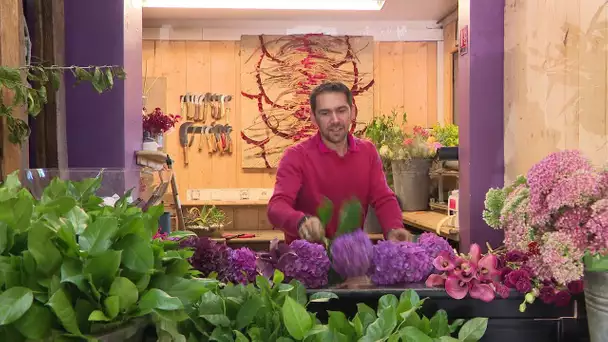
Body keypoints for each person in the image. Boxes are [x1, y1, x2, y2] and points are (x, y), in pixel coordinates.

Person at [267, 81, 412, 244]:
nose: (335, 120)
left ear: (353, 112)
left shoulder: (367, 151)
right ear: (314, 118)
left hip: (351, 262)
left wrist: (394, 228)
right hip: (306, 262)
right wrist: (301, 221)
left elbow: (383, 198)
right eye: (325, 113)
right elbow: (276, 207)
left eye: (341, 110)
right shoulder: (295, 156)